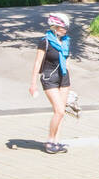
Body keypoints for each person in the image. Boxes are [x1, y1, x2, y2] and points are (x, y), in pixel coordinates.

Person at [28, 11, 80, 153]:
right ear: (55, 26)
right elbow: (38, 62)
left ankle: (57, 141)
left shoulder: (66, 41)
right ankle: (50, 141)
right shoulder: (45, 41)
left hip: (63, 78)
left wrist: (71, 85)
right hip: (49, 78)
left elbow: (66, 61)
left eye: (66, 28)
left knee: (61, 113)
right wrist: (33, 84)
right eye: (63, 27)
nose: (66, 30)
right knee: (59, 111)